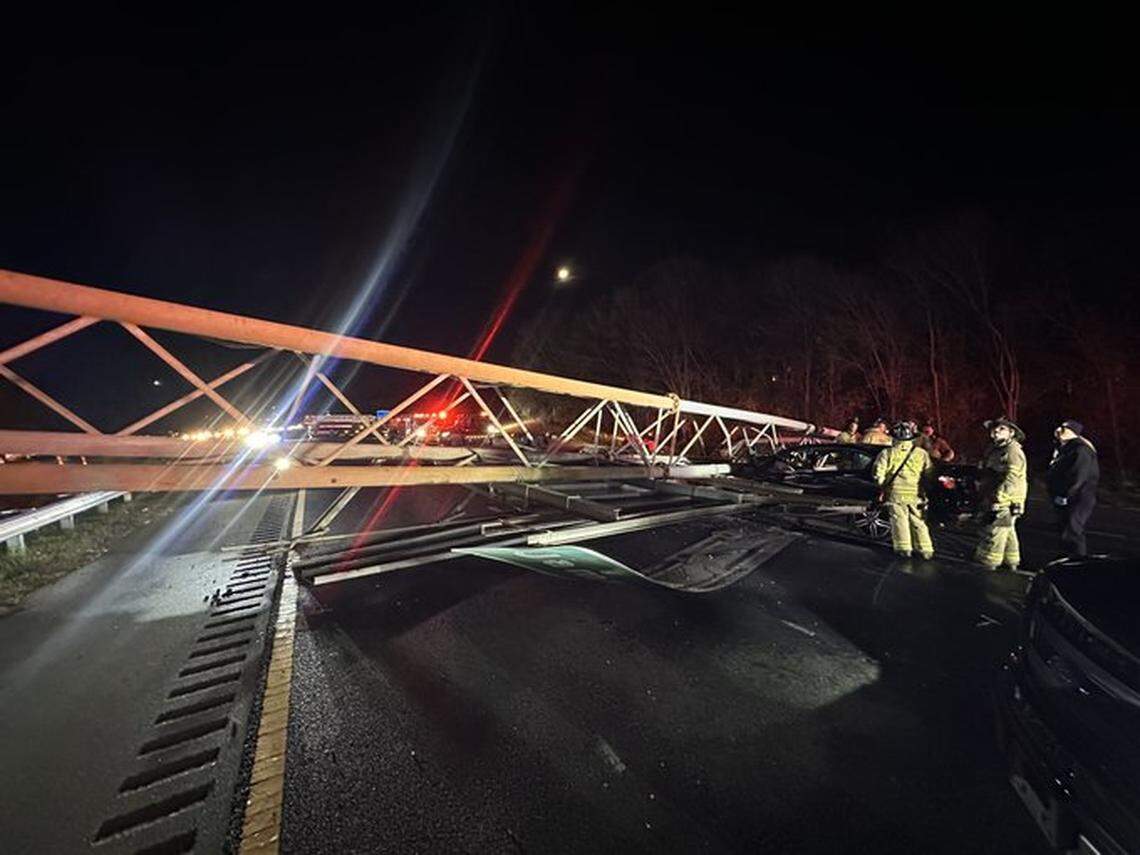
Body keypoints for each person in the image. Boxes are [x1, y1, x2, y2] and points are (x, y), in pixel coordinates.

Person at [872, 420, 935, 559]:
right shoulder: (921, 453)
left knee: (899, 521)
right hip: (916, 493)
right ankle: (926, 550)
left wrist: (883, 485)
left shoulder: (887, 453)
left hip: (896, 493)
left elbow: (878, 473)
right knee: (918, 521)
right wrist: (924, 488)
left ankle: (903, 548)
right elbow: (929, 473)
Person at [973, 417, 1028, 571]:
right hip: (997, 494)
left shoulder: (1012, 451)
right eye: (994, 429)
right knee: (1007, 529)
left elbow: (1012, 478)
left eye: (1001, 429)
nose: (996, 431)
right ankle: (1011, 561)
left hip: (1006, 498)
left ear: (1012, 433)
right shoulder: (996, 449)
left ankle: (989, 561)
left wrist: (1000, 497)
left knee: (995, 529)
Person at [1046, 419, 1099, 559]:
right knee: (1064, 529)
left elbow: (1078, 475)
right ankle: (1066, 559)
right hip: (1068, 496)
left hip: (1078, 497)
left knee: (1073, 530)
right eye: (1060, 427)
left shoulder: (1080, 450)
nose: (1059, 430)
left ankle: (1077, 562)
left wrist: (1065, 495)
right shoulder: (1065, 448)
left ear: (1074, 433)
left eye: (1064, 429)